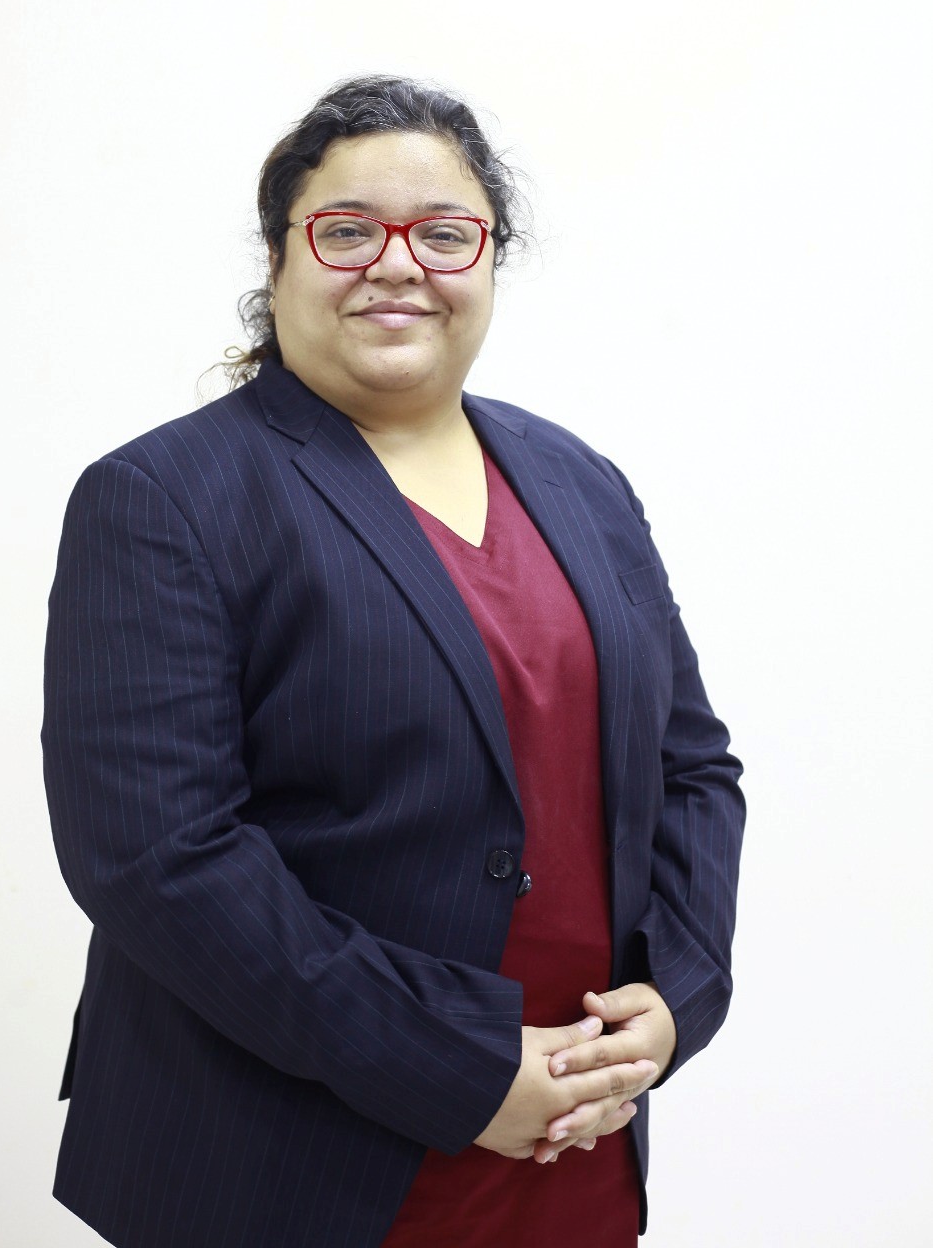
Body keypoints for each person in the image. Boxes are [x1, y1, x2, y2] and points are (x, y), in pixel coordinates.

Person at [42, 73, 745, 1248]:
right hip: (286, 1162)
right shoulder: (164, 497)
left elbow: (691, 768)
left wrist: (676, 996)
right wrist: (459, 1067)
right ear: (279, 257)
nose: (397, 264)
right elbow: (159, 861)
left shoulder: (581, 482)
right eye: (348, 230)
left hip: (572, 1137)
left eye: (444, 233)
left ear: (489, 258)